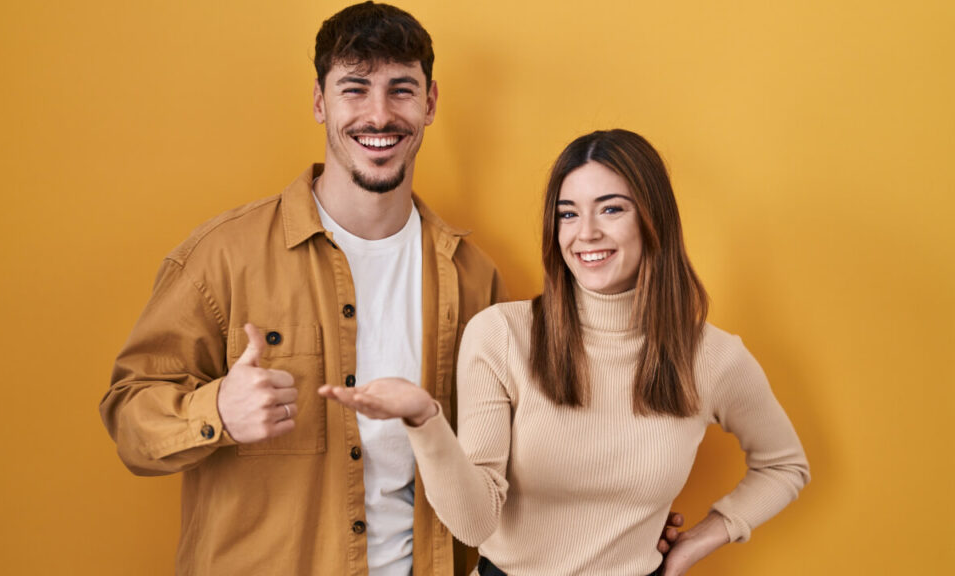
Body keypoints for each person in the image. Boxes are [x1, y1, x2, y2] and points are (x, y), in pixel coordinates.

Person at [99, 3, 506, 575]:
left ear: (430, 103)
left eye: (401, 90)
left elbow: (497, 465)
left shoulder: (472, 276)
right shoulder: (222, 256)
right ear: (320, 102)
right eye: (355, 89)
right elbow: (128, 416)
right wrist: (216, 409)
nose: (379, 114)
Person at [321, 129, 811, 576]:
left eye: (612, 209)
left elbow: (785, 466)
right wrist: (424, 420)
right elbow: (474, 524)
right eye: (568, 213)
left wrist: (698, 542)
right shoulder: (503, 335)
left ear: (652, 218)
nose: (586, 233)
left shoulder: (713, 357)